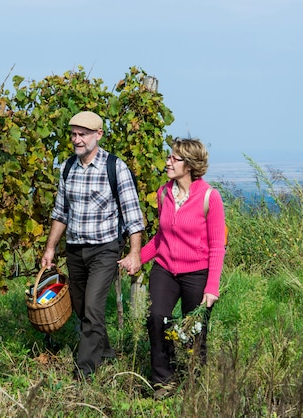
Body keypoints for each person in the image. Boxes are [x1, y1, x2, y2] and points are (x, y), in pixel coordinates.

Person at [40, 110, 145, 381]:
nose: (77, 140)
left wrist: (134, 252)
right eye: (74, 134)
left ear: (98, 135)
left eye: (83, 134)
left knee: (93, 307)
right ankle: (106, 352)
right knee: (81, 306)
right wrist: (51, 248)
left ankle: (84, 371)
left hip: (105, 249)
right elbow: (60, 212)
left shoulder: (115, 167)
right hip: (75, 249)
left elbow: (133, 215)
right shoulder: (67, 168)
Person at [120, 138, 226, 397]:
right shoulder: (164, 193)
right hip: (165, 269)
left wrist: (211, 287)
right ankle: (163, 380)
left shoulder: (210, 198)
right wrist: (137, 259)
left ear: (189, 165)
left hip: (197, 273)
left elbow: (216, 247)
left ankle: (194, 381)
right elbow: (161, 237)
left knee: (194, 330)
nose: (168, 162)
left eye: (174, 158)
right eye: (170, 157)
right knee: (157, 318)